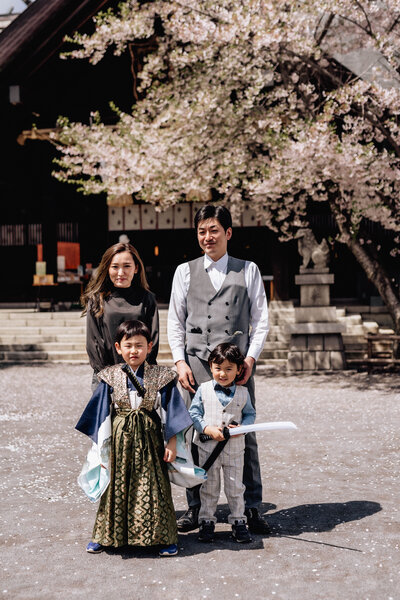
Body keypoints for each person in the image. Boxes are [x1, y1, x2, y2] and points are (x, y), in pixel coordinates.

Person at [168, 204, 270, 534]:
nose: (207, 237)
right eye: (201, 231)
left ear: (228, 233)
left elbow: (261, 321)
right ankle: (196, 507)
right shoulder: (184, 271)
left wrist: (251, 359)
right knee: (195, 434)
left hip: (238, 367)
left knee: (244, 434)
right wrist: (179, 360)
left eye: (213, 230)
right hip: (196, 365)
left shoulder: (249, 270)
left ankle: (252, 506)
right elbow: (175, 321)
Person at [76, 320, 193, 556]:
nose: (134, 351)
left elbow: (175, 411)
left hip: (150, 438)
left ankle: (163, 538)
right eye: (128, 346)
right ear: (118, 347)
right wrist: (99, 448)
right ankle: (107, 536)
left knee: (153, 485)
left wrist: (171, 441)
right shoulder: (109, 376)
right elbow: (98, 414)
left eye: (139, 345)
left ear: (150, 347)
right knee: (115, 485)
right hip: (119, 438)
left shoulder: (162, 376)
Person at [189, 343, 255, 543]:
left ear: (238, 369)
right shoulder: (204, 389)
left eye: (229, 369)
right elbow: (194, 413)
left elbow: (250, 414)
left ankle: (238, 521)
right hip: (207, 448)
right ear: (211, 367)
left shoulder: (243, 393)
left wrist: (242, 427)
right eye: (218, 368)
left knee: (235, 487)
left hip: (235, 449)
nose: (223, 374)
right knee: (209, 486)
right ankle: (207, 521)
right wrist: (206, 428)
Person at [81, 242, 159, 387]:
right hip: (105, 376)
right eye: (115, 267)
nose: (120, 272)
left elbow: (152, 340)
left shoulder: (147, 299)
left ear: (136, 268)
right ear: (107, 268)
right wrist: (108, 374)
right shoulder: (97, 299)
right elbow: (94, 342)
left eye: (127, 266)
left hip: (141, 377)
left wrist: (139, 372)